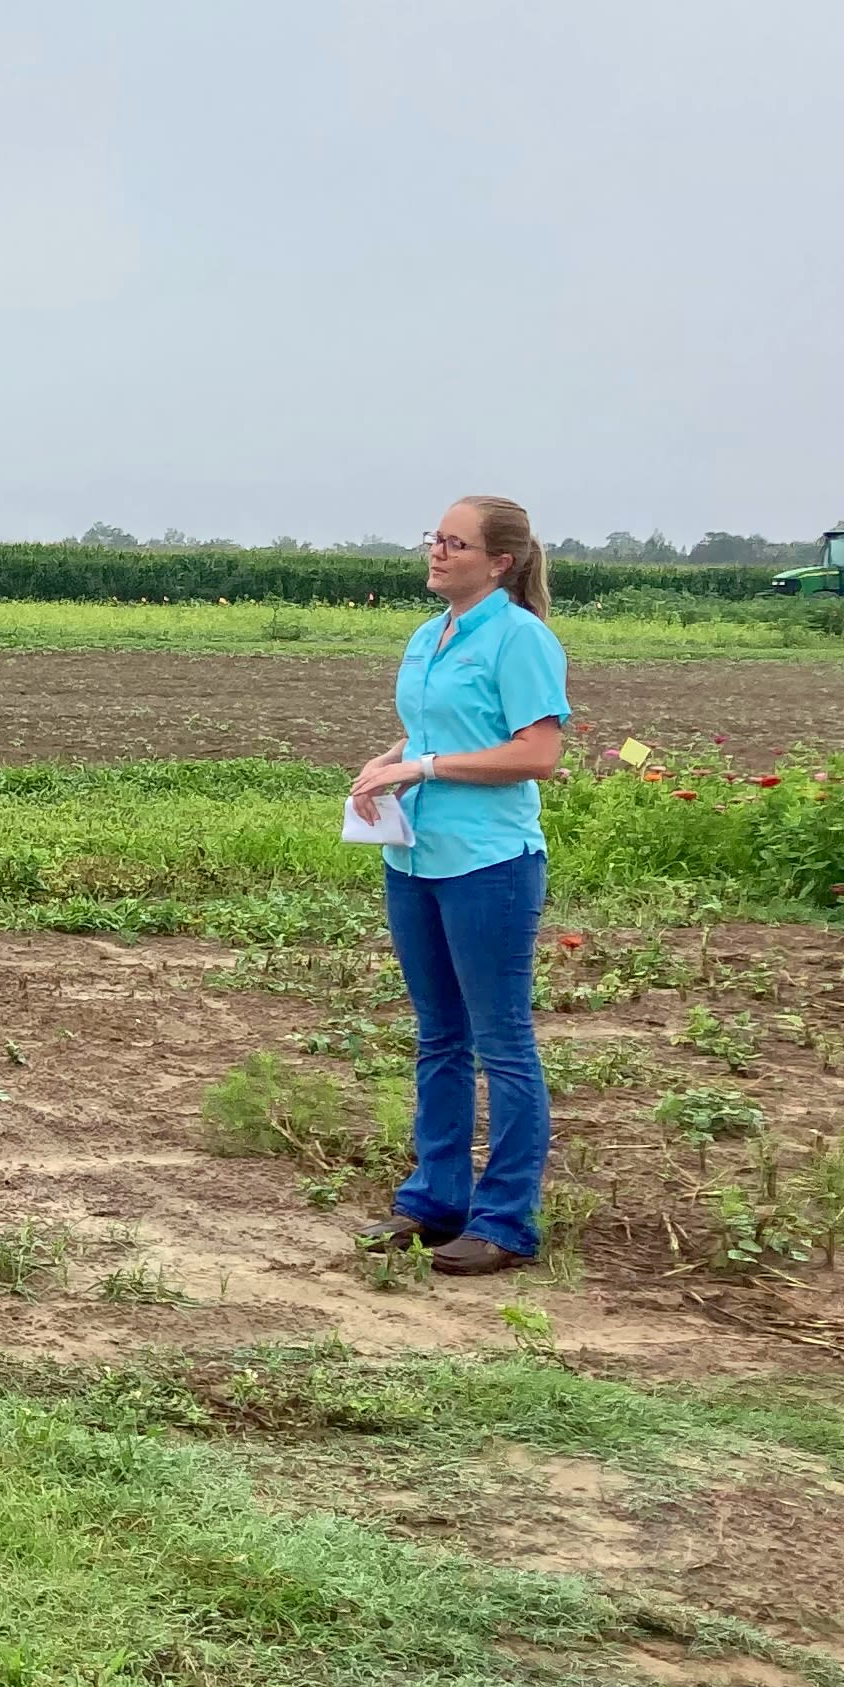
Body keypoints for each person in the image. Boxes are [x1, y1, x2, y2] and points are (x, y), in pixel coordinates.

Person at [348, 495, 573, 1277]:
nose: (436, 553)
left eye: (455, 542)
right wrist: (391, 763)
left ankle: (505, 1220)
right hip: (415, 859)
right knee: (440, 1036)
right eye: (434, 539)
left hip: (489, 866)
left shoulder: (520, 638)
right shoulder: (429, 635)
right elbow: (436, 733)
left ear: (499, 562)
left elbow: (536, 753)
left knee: (502, 1042)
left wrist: (427, 768)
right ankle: (434, 1200)